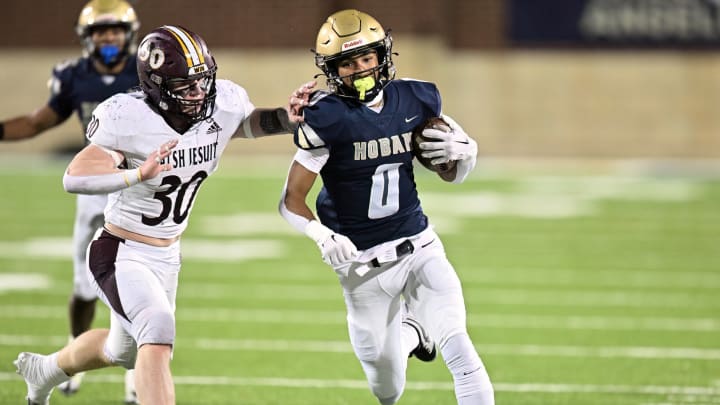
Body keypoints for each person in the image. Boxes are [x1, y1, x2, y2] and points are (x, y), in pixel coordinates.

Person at [13, 24, 308, 405]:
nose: (200, 93)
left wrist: (289, 119)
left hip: (167, 255)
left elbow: (247, 123)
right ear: (157, 87)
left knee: (124, 351)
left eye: (203, 81)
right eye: (186, 86)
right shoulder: (127, 117)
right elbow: (74, 176)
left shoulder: (222, 103)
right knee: (158, 328)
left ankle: (46, 370)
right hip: (121, 250)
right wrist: (137, 173)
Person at [279, 9, 494, 405]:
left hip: (419, 246)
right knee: (387, 388)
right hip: (361, 266)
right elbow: (290, 201)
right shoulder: (326, 117)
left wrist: (468, 155)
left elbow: (452, 174)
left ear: (383, 56)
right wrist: (321, 235)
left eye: (366, 58)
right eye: (347, 62)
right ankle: (414, 331)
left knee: (460, 349)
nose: (360, 69)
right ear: (331, 69)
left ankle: (423, 328)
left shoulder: (417, 98)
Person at [1, 1, 140, 401]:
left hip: (138, 187)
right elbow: (36, 121)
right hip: (95, 186)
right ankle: (73, 354)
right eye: (101, 31)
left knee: (132, 279)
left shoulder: (146, 74)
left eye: (114, 30)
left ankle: (134, 371)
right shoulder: (74, 77)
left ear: (128, 34)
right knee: (83, 285)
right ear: (87, 37)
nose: (108, 38)